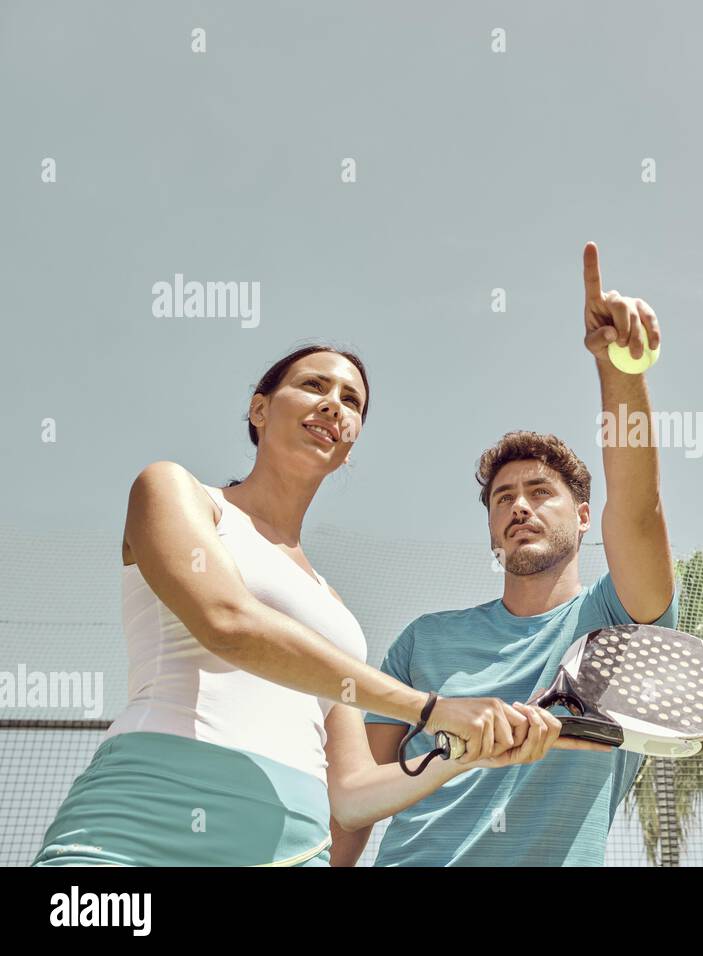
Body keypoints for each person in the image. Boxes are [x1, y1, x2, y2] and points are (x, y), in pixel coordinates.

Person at [33, 344, 607, 867]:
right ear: (259, 410)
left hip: (293, 845)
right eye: (314, 386)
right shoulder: (177, 493)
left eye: (351, 400)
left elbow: (354, 796)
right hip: (147, 819)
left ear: (351, 444)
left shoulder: (334, 612)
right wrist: (433, 711)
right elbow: (228, 623)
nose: (334, 405)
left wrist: (461, 753)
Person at [332, 242, 677, 866]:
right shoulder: (423, 641)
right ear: (492, 531)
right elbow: (355, 800)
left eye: (540, 492)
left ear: (580, 517)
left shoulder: (620, 626)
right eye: (502, 498)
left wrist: (619, 369)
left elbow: (638, 506)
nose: (518, 506)